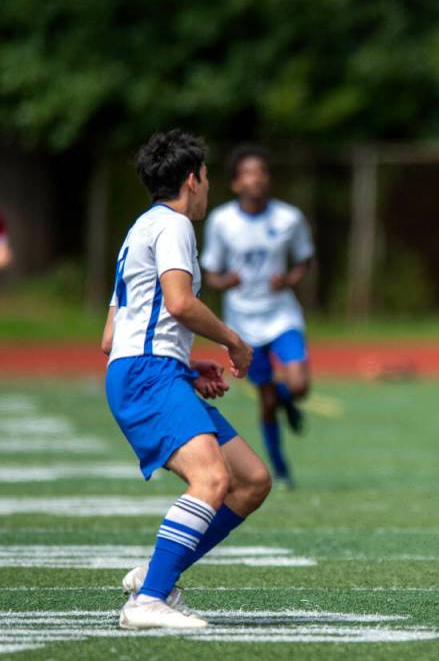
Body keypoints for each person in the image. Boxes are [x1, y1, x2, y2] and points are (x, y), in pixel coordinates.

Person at [102, 129, 271, 629]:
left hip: (146, 369)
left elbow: (112, 335)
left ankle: (157, 575)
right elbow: (179, 302)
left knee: (251, 481)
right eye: (207, 177)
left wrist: (184, 365)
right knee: (212, 478)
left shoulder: (141, 228)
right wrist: (233, 341)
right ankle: (149, 599)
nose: (208, 187)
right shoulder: (174, 226)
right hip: (147, 375)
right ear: (193, 179)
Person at [201, 144, 315, 489]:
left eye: (261, 172)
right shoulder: (222, 221)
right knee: (265, 401)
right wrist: (226, 282)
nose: (255, 179)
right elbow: (211, 274)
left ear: (269, 179)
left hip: (281, 315)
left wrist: (289, 280)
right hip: (243, 323)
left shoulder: (288, 218)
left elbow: (304, 261)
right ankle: (280, 468)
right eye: (247, 173)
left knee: (299, 384)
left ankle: (289, 401)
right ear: (236, 183)